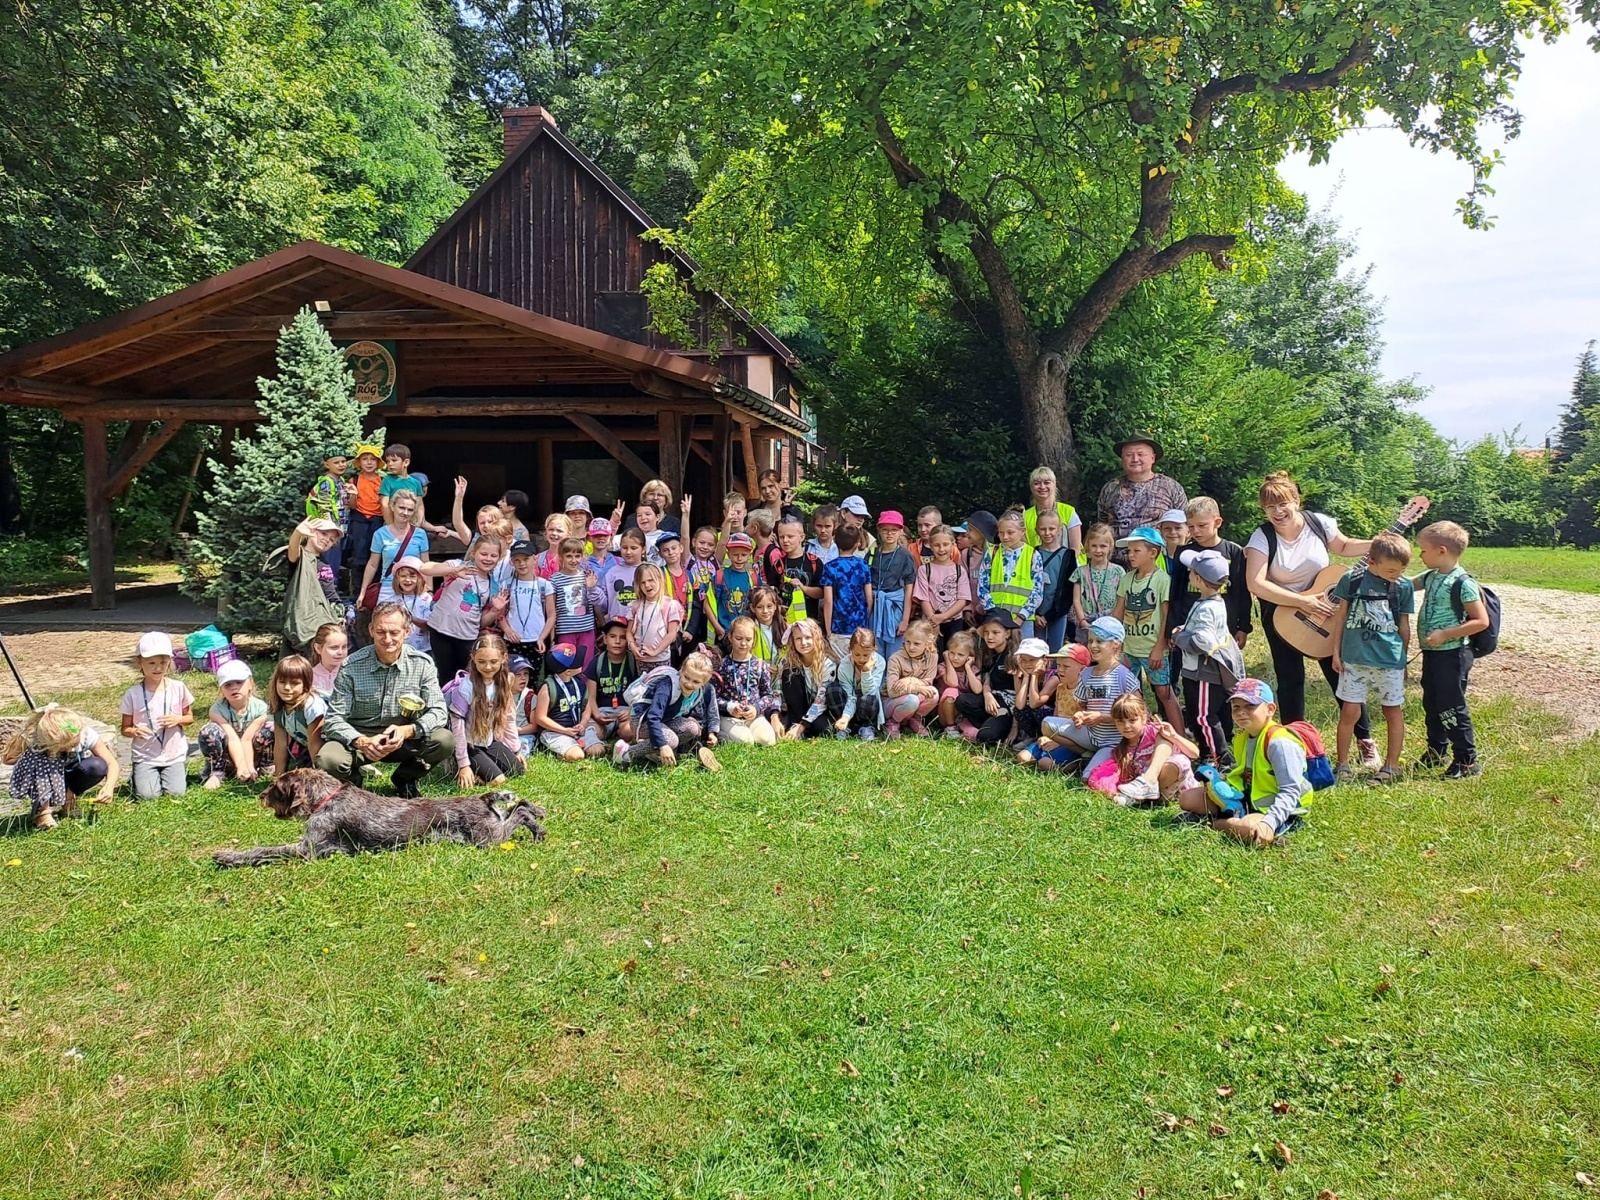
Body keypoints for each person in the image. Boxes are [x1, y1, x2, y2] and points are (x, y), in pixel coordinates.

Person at [1243, 471, 1379, 766]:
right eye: (1269, 507)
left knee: (1339, 672)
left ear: (1296, 500)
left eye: (1283, 504)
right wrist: (1303, 601)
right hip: (1284, 615)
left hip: (1327, 610)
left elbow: (1343, 547)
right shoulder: (1262, 536)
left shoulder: (1318, 523)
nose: (1277, 512)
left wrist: (1376, 542)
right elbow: (1256, 583)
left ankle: (1365, 740)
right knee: (1290, 678)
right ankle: (1296, 747)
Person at [318, 603, 454, 797]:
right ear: (371, 630)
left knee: (444, 740)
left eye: (394, 632)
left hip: (403, 737)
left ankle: (405, 779)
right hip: (360, 736)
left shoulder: (422, 664)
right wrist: (361, 741)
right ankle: (354, 786)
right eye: (381, 632)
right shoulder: (351, 667)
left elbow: (439, 712)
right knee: (328, 759)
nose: (387, 639)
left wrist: (408, 731)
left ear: (407, 631)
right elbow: (333, 720)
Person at [1176, 678, 1311, 845]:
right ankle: (1230, 821)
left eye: (1250, 706)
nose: (1241, 712)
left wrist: (1270, 822)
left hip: (1279, 809)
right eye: (1236, 707)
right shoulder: (1243, 738)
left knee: (1248, 829)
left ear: (1270, 709)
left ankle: (1214, 823)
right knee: (1187, 798)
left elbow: (1290, 791)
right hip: (1247, 800)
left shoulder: (1280, 743)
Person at [1329, 532, 1415, 783]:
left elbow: (1404, 625)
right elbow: (1341, 618)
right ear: (1371, 562)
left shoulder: (1404, 586)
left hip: (1390, 661)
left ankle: (1391, 766)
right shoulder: (1352, 580)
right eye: (1390, 571)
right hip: (1354, 659)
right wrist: (1336, 652)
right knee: (1349, 712)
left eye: (1401, 570)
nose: (1396, 575)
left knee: (1392, 711)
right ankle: (1342, 764)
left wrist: (1404, 659)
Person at [1411, 521, 1490, 779]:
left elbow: (1480, 620)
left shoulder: (1462, 582)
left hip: (1453, 654)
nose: (1420, 555)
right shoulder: (1431, 576)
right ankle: (1436, 750)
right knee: (1431, 702)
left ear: (1441, 551)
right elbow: (1405, 584)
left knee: (1451, 706)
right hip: (1433, 653)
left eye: (1423, 550)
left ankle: (1467, 760)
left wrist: (1446, 634)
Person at [1169, 548, 1247, 768]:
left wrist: (1179, 637)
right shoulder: (1212, 602)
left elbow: (1203, 641)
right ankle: (1214, 753)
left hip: (1203, 671)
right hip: (1204, 670)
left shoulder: (1206, 608)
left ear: (1198, 579)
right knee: (1212, 711)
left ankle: (1218, 758)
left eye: (1192, 571)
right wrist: (1186, 628)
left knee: (1203, 716)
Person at [1038, 617, 1141, 773]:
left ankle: (1094, 762)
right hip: (1090, 735)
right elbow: (1083, 705)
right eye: (1090, 640)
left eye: (1099, 641)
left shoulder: (1124, 676)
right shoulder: (1086, 674)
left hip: (1112, 742)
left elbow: (1140, 715)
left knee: (1088, 777)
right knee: (1047, 724)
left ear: (1116, 644)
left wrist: (1101, 717)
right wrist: (1080, 715)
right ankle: (1085, 754)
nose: (1093, 645)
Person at [1112, 526, 1184, 727]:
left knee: (1164, 692)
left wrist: (1159, 648)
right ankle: (1141, 734)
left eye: (1136, 551)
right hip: (1128, 649)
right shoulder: (1127, 578)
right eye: (1129, 551)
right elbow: (1118, 611)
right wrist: (1111, 637)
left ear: (1153, 553)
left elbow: (1166, 615)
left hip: (1152, 648)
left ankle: (1180, 736)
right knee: (1129, 693)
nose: (1130, 555)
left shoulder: (1162, 580)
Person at [5, 704, 118, 829]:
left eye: (73, 744)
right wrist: (25, 753)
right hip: (44, 778)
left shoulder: (85, 734)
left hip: (68, 774)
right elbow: (7, 760)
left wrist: (109, 786)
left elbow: (111, 763)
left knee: (97, 765)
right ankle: (42, 811)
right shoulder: (34, 738)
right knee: (39, 760)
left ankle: (68, 799)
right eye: (64, 747)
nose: (69, 749)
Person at [1084, 695, 1201, 806]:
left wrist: (1174, 736)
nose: (1127, 726)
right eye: (1120, 721)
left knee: (1180, 758)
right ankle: (1143, 791)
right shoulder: (1120, 750)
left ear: (1144, 718)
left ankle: (1148, 780)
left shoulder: (1154, 731)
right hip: (1159, 792)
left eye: (1132, 720)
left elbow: (1194, 754)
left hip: (1180, 785)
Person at [120, 631, 195, 800]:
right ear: (140, 662)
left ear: (169, 661)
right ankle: (137, 777)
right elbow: (124, 728)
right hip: (145, 756)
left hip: (173, 755)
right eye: (151, 663)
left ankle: (168, 774)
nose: (158, 668)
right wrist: (134, 731)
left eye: (163, 662)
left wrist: (178, 720)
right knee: (148, 797)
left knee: (176, 793)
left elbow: (189, 718)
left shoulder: (178, 687)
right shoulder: (133, 694)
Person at [613, 653, 721, 769]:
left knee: (692, 728)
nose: (689, 684)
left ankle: (658, 753)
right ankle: (625, 752)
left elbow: (683, 710)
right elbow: (653, 717)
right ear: (681, 671)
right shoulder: (667, 686)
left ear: (704, 682)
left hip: (666, 719)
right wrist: (663, 744)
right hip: (642, 720)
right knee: (670, 740)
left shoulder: (698, 693)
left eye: (696, 682)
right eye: (686, 677)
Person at [443, 633, 525, 785]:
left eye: (493, 662)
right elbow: (458, 729)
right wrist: (464, 764)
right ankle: (462, 768)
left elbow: (509, 717)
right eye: (482, 661)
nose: (488, 667)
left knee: (518, 771)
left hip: (489, 741)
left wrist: (516, 749)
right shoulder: (465, 688)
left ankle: (481, 770)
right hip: (469, 744)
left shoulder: (504, 681)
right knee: (498, 781)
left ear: (504, 658)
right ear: (473, 657)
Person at [1095, 436, 1188, 546]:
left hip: (1158, 558)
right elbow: (1102, 527)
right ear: (1122, 459)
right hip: (1115, 559)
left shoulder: (1171, 487)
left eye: (1140, 454)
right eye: (1129, 455)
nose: (1135, 459)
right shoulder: (1110, 488)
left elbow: (1185, 525)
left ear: (1152, 458)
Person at [197, 659, 273, 790]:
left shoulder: (261, 708)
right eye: (227, 685)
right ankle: (217, 772)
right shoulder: (216, 710)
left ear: (250, 684)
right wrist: (241, 766)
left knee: (271, 727)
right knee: (208, 731)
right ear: (221, 689)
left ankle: (264, 766)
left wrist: (248, 766)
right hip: (228, 755)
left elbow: (246, 739)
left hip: (253, 752)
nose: (234, 687)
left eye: (239, 682)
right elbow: (232, 738)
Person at [951, 608, 1021, 746]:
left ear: (1007, 633)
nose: (989, 637)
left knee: (985, 736)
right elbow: (987, 677)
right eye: (986, 632)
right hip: (993, 699)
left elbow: (1019, 695)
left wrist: (1015, 727)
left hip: (1011, 706)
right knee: (962, 701)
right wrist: (987, 694)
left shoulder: (1014, 656)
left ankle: (1001, 727)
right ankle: (989, 722)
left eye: (995, 633)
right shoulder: (989, 651)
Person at [1017, 642, 1091, 769]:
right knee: (1022, 757)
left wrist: (1058, 742)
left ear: (1082, 669)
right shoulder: (1061, 687)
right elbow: (1056, 715)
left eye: (1066, 666)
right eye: (1059, 665)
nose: (1060, 670)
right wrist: (1047, 736)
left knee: (1045, 763)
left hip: (1073, 741)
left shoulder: (1086, 691)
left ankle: (1079, 761)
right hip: (1055, 735)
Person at [358, 489, 428, 618]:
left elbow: (426, 565)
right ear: (392, 506)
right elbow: (373, 565)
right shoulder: (380, 534)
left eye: (410, 510)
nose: (405, 513)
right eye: (401, 507)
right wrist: (363, 592)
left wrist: (429, 591)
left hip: (413, 587)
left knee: (415, 633)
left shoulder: (420, 534)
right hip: (388, 587)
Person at [715, 616, 783, 745]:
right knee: (746, 741)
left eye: (748, 639)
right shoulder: (722, 665)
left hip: (753, 715)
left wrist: (756, 708)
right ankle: (721, 735)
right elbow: (713, 696)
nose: (743, 643)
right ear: (730, 637)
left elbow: (768, 694)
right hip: (729, 716)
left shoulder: (760, 665)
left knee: (768, 740)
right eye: (738, 638)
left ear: (754, 640)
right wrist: (729, 707)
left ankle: (747, 730)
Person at [532, 642, 605, 761]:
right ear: (568, 672)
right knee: (577, 756)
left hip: (577, 729)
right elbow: (540, 718)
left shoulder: (580, 682)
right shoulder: (548, 687)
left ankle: (572, 747)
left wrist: (583, 723)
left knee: (598, 750)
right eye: (577, 660)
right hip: (555, 732)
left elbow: (586, 706)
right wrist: (564, 730)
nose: (581, 660)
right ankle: (561, 750)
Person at [283, 516, 345, 654]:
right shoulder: (302, 558)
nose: (326, 540)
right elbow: (293, 553)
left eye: (331, 540)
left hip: (327, 618)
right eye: (323, 533)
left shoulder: (324, 563)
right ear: (311, 532)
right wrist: (298, 533)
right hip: (308, 623)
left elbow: (329, 592)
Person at [549, 536, 606, 669]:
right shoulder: (554, 580)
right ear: (561, 557)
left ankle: (586, 690)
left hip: (587, 630)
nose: (574, 560)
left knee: (587, 665)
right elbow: (551, 612)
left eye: (577, 556)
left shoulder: (587, 576)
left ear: (582, 557)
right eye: (569, 556)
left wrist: (603, 626)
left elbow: (595, 604)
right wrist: (552, 639)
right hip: (566, 631)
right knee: (567, 666)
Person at [779, 618, 840, 739]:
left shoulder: (828, 664)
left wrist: (802, 726)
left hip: (823, 708)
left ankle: (802, 728)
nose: (803, 642)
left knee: (822, 729)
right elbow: (776, 690)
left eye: (808, 637)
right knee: (789, 672)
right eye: (798, 639)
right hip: (803, 706)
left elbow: (821, 700)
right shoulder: (788, 661)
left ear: (816, 639)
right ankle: (795, 722)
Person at [820, 524, 874, 660]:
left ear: (835, 541)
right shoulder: (863, 565)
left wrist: (828, 629)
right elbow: (869, 598)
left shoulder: (829, 567)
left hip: (838, 626)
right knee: (859, 662)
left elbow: (828, 601)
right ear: (857, 544)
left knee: (840, 665)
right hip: (860, 626)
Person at [868, 511, 917, 662]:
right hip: (875, 607)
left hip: (894, 608)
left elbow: (909, 589)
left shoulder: (905, 555)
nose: (889, 534)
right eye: (885, 530)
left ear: (901, 531)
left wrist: (905, 620)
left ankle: (893, 684)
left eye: (894, 530)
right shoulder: (872, 553)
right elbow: (866, 583)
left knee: (895, 652)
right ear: (879, 530)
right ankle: (877, 685)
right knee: (875, 650)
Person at [913, 524, 971, 648]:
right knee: (932, 655)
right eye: (937, 545)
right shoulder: (925, 569)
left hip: (954, 622)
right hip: (930, 621)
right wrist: (933, 620)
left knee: (953, 655)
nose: (941, 549)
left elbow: (963, 599)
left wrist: (942, 617)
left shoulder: (959, 570)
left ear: (953, 544)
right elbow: (923, 598)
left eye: (945, 544)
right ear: (931, 545)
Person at [883, 619, 941, 737]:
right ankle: (893, 722)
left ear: (928, 643)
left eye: (917, 643)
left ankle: (915, 720)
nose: (911, 647)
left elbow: (928, 681)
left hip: (913, 698)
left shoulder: (933, 657)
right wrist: (917, 688)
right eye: (908, 642)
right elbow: (892, 691)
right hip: (892, 702)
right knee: (912, 700)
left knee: (934, 693)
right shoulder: (895, 658)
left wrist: (910, 680)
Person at [269, 654, 324, 775]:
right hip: (305, 747)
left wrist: (318, 779)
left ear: (305, 685)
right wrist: (278, 779)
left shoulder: (312, 706)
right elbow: (280, 746)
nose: (287, 687)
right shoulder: (279, 707)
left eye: (294, 683)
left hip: (324, 746)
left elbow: (315, 745)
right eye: (282, 682)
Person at [586, 617, 638, 742]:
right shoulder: (596, 662)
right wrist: (597, 715)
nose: (617, 641)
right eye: (612, 636)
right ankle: (606, 735)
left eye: (623, 637)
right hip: (603, 712)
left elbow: (641, 694)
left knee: (629, 730)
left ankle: (620, 736)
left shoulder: (634, 662)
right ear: (604, 639)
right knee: (593, 731)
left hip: (627, 712)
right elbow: (590, 696)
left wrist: (631, 710)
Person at [765, 514, 823, 625]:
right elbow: (771, 593)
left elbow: (821, 593)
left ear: (802, 537)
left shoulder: (814, 562)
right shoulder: (777, 564)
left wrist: (803, 588)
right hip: (784, 622)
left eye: (790, 536)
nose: (785, 541)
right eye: (781, 537)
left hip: (809, 622)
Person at [1071, 522, 1123, 643]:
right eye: (1094, 546)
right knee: (1086, 656)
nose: (1098, 550)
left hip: (1110, 620)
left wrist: (1115, 619)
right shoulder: (1080, 572)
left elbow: (1122, 599)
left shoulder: (1118, 571)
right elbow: (1076, 599)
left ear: (1110, 546)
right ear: (1087, 545)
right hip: (1087, 620)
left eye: (1103, 546)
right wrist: (1082, 620)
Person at [502, 541, 555, 661]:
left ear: (534, 559)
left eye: (526, 559)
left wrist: (542, 638)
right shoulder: (507, 584)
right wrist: (508, 631)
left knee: (535, 677)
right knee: (513, 675)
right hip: (512, 639)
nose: (522, 563)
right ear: (512, 562)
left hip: (536, 639)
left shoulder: (544, 585)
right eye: (517, 560)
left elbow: (551, 616)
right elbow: (500, 615)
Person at [628, 562, 684, 671]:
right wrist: (632, 646)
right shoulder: (636, 606)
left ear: (660, 580)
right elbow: (629, 631)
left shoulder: (669, 605)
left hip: (661, 659)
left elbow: (672, 634)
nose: (647, 585)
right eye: (643, 582)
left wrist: (655, 652)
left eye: (651, 580)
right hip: (641, 659)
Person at [1032, 509, 1074, 650]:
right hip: (1034, 614)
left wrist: (1049, 616)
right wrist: (1035, 614)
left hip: (1057, 613)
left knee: (1055, 651)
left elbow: (1069, 591)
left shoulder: (1068, 556)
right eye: (1043, 529)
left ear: (1059, 530)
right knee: (1036, 651)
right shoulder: (1031, 553)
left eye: (1051, 528)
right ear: (1036, 530)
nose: (1047, 533)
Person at [707, 531, 760, 643]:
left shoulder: (754, 578)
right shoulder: (720, 576)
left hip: (746, 635)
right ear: (728, 554)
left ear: (749, 555)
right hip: (724, 633)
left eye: (743, 555)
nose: (739, 558)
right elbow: (707, 605)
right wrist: (718, 628)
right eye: (735, 555)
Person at [305, 446, 350, 576]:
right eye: (336, 462)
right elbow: (324, 507)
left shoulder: (340, 481)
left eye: (343, 461)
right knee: (329, 566)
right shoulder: (327, 482)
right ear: (327, 464)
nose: (341, 465)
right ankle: (327, 594)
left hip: (339, 530)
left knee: (334, 565)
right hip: (330, 532)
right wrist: (330, 534)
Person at [834, 628, 886, 740]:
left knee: (868, 699)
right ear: (850, 649)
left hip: (867, 703)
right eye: (856, 654)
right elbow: (850, 696)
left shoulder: (880, 662)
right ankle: (845, 725)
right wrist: (845, 717)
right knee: (833, 690)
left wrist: (866, 671)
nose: (861, 659)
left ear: (874, 649)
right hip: (849, 703)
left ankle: (866, 726)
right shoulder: (844, 665)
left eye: (866, 655)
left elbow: (870, 692)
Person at [344, 443, 386, 579]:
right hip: (359, 520)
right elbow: (351, 506)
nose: (369, 462)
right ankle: (356, 593)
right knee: (358, 557)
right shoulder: (354, 480)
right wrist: (354, 494)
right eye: (365, 459)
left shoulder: (383, 481)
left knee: (377, 555)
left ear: (378, 462)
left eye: (373, 459)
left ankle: (374, 591)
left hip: (378, 521)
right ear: (359, 462)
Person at [1010, 636, 1058, 751]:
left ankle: (1045, 737)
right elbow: (1019, 705)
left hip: (1051, 718)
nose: (1027, 664)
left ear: (1045, 660)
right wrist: (1026, 677)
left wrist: (1035, 676)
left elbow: (1035, 703)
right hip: (1034, 714)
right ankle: (1033, 737)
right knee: (1019, 710)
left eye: (1032, 660)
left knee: (1038, 709)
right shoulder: (1021, 675)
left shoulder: (1053, 677)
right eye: (1023, 660)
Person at [1022, 466, 1083, 557]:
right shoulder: (1024, 516)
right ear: (1031, 488)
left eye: (1046, 482)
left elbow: (1075, 548)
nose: (1042, 487)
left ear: (1054, 485)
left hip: (1069, 565)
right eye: (1037, 483)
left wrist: (1064, 565)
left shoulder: (1068, 511)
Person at [936, 630, 983, 738]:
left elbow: (977, 690)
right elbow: (953, 683)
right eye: (952, 653)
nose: (955, 658)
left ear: (969, 656)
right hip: (947, 711)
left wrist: (968, 667)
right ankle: (950, 727)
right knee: (951, 691)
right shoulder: (943, 667)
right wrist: (947, 660)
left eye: (960, 654)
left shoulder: (972, 668)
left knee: (974, 735)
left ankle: (961, 729)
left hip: (963, 714)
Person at [602, 528, 648, 624]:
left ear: (643, 549)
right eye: (624, 547)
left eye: (633, 548)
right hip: (617, 625)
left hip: (641, 625)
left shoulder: (649, 571)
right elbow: (604, 602)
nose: (628, 552)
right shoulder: (612, 572)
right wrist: (593, 589)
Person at [747, 586, 786, 668]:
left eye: (769, 606)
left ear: (775, 606)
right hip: (756, 676)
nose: (765, 611)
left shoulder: (785, 628)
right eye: (760, 607)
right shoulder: (748, 629)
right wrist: (760, 666)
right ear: (752, 608)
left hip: (781, 677)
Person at [534, 514, 570, 578]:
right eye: (551, 529)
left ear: (568, 534)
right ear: (546, 532)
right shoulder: (538, 558)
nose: (554, 533)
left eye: (559, 531)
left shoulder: (573, 558)